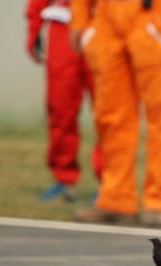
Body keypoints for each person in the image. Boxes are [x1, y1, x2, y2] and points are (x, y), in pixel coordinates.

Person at [70, 0, 161, 226]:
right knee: (111, 118)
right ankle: (116, 201)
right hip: (106, 21)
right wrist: (80, 19)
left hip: (151, 18)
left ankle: (157, 202)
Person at [25, 0, 102, 202]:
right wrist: (34, 27)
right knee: (60, 108)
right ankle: (63, 179)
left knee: (108, 113)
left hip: (103, 24)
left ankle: (110, 184)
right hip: (63, 27)